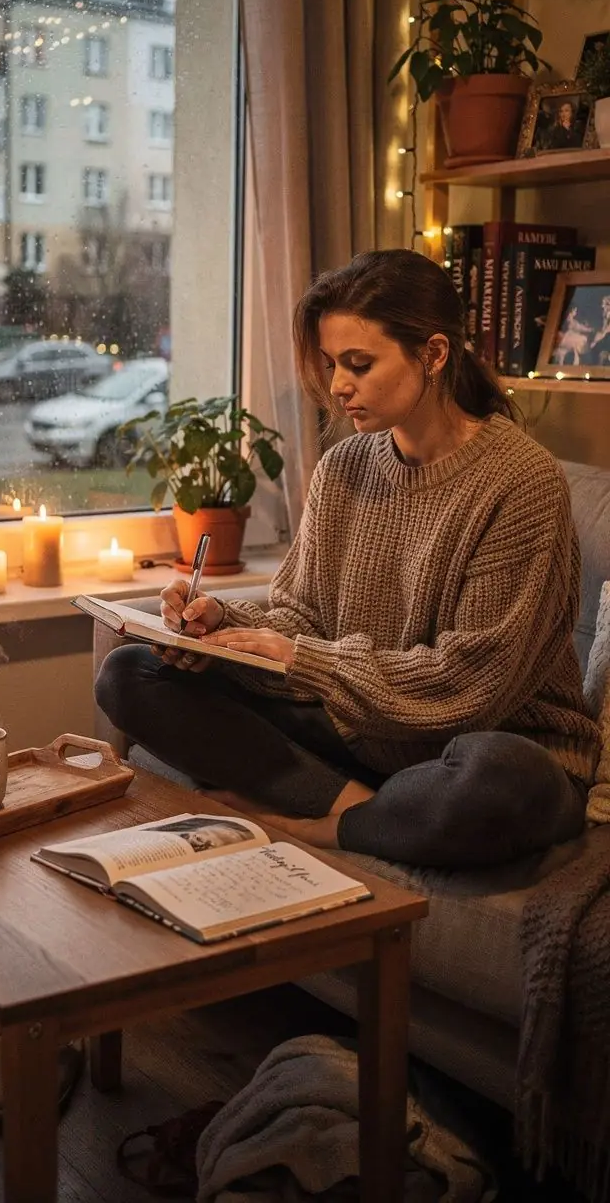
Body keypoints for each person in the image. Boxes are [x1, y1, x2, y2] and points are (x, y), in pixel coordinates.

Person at [96, 250, 599, 869]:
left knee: (494, 777)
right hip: (366, 736)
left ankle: (327, 826)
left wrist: (303, 659)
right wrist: (220, 629)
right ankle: (365, 810)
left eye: (359, 364)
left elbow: (472, 687)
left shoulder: (522, 483)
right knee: (130, 674)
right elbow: (301, 618)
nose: (337, 385)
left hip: (496, 745)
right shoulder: (344, 467)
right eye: (333, 364)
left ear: (435, 355)